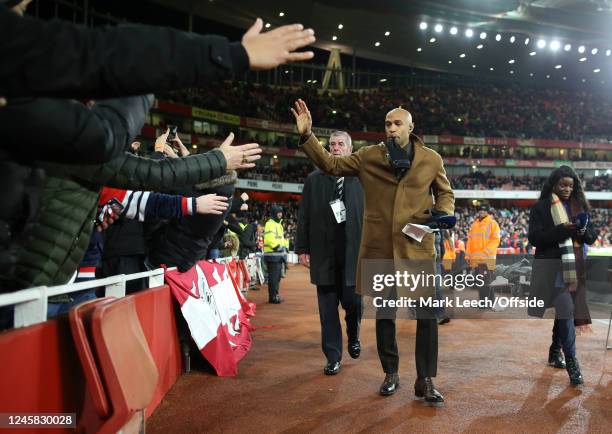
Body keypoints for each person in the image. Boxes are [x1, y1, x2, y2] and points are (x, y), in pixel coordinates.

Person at [292, 99, 454, 402]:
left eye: (397, 124)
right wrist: (307, 137)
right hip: (379, 249)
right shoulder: (368, 156)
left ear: (410, 127)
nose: (391, 129)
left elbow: (444, 192)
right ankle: (390, 373)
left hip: (417, 248)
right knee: (385, 315)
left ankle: (426, 379)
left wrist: (442, 213)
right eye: (388, 124)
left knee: (428, 316)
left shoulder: (431, 159)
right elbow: (332, 164)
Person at [296, 131, 364, 376]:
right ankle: (333, 356)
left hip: (353, 255)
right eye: (332, 144)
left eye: (340, 144)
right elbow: (303, 215)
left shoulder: (361, 177)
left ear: (350, 148)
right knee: (327, 309)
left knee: (354, 302)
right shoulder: (314, 180)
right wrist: (302, 248)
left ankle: (353, 333)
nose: (335, 148)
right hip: (324, 253)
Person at [527, 165, 597, 385]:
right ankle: (572, 362)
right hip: (553, 269)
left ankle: (555, 349)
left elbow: (591, 237)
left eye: (570, 185)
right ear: (553, 185)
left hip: (575, 269)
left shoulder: (580, 206)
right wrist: (563, 229)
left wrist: (583, 230)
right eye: (562, 185)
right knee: (566, 308)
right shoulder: (540, 208)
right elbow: (535, 238)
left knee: (564, 311)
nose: (567, 189)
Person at [465, 204, 500, 305]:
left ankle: (489, 302)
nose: (481, 212)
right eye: (480, 210)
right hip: (476, 259)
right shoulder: (474, 225)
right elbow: (470, 242)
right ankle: (483, 302)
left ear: (487, 212)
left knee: (487, 281)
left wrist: (486, 253)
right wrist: (468, 256)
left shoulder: (492, 223)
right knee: (480, 282)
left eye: (483, 210)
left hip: (488, 258)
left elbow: (495, 240)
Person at [263, 205, 288, 304]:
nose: (280, 214)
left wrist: (285, 247)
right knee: (274, 277)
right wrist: (278, 247)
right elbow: (269, 239)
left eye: (281, 212)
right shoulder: (270, 223)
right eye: (278, 212)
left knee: (276, 277)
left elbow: (281, 239)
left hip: (277, 255)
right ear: (274, 213)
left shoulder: (279, 224)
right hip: (273, 254)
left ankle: (275, 295)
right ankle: (273, 297)